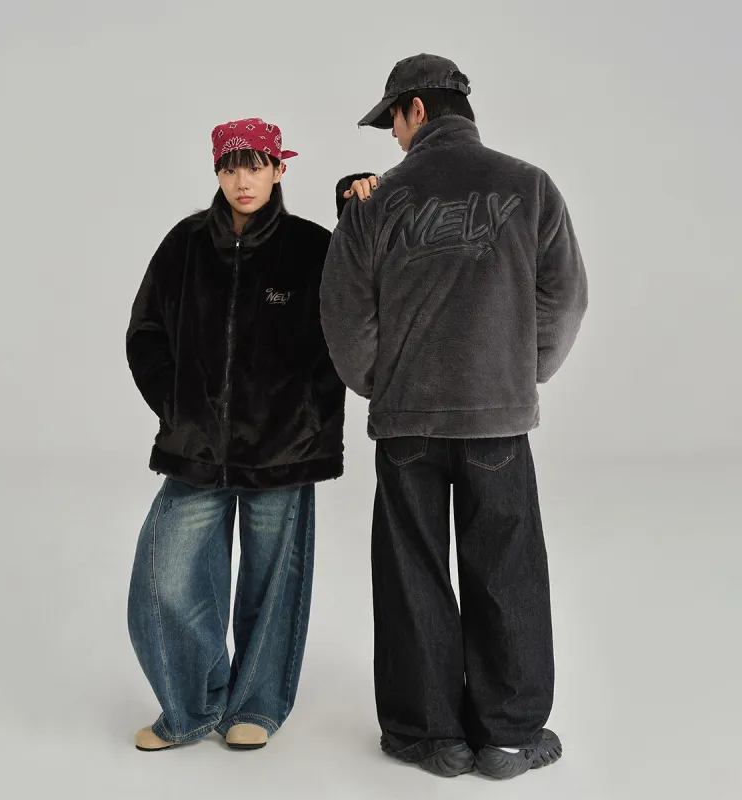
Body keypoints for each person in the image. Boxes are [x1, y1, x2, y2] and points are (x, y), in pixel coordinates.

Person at [322, 54, 588, 780]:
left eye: (392, 121)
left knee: (413, 570)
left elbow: (344, 314)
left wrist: (383, 383)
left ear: (415, 108)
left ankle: (430, 736)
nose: (393, 137)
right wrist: (519, 373)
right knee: (507, 566)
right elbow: (565, 298)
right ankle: (508, 738)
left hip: (406, 419)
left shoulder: (375, 203)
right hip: (496, 418)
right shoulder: (530, 186)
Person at [125, 118, 348, 753]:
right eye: (230, 167)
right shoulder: (186, 243)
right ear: (217, 172)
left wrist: (308, 419)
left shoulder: (312, 247)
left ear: (279, 169)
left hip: (284, 450)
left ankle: (256, 705)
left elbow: (343, 339)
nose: (242, 180)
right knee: (166, 580)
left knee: (272, 587)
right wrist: (177, 408)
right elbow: (145, 333)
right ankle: (192, 706)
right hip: (196, 449)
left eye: (255, 165)